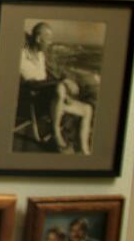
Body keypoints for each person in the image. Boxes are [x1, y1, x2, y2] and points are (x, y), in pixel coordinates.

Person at [18, 22, 94, 154]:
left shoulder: (41, 56)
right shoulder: (22, 57)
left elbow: (46, 79)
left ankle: (84, 150)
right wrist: (62, 84)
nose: (50, 42)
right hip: (36, 102)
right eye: (48, 38)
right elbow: (31, 83)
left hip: (53, 101)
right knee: (60, 88)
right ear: (38, 39)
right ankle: (56, 132)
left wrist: (64, 86)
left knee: (87, 109)